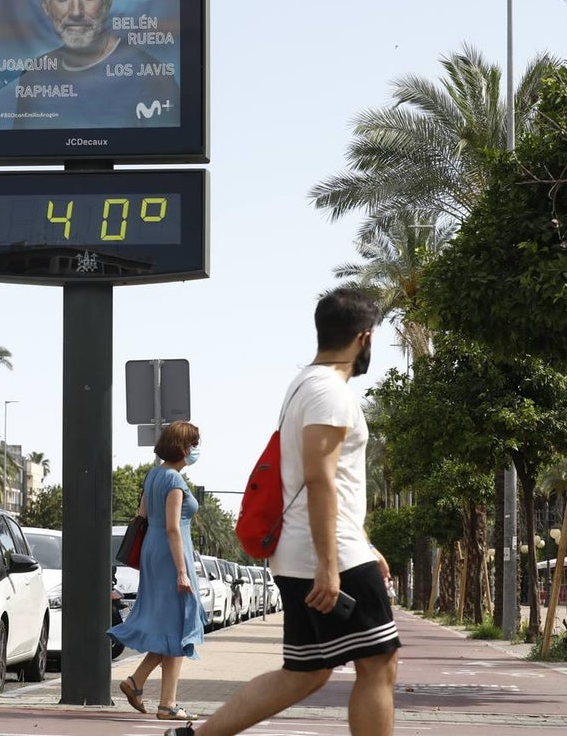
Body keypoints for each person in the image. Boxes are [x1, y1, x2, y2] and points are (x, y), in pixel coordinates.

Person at [164, 288, 400, 736]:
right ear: (364, 338)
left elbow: (327, 482)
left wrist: (366, 545)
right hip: (326, 555)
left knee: (305, 672)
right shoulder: (331, 392)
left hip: (312, 550)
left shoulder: (304, 384)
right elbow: (319, 479)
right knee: (379, 662)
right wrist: (331, 566)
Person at [109, 420, 206, 721]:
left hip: (153, 551)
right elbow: (174, 528)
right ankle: (167, 704)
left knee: (168, 627)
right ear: (183, 447)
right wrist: (181, 571)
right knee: (178, 627)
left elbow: (142, 515)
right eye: (193, 445)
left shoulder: (153, 475)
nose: (195, 450)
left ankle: (138, 683)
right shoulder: (175, 482)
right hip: (170, 554)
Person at [10, 0, 181, 129]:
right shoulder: (33, 76)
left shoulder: (153, 78)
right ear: (45, 4)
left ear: (108, 0)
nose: (76, 11)